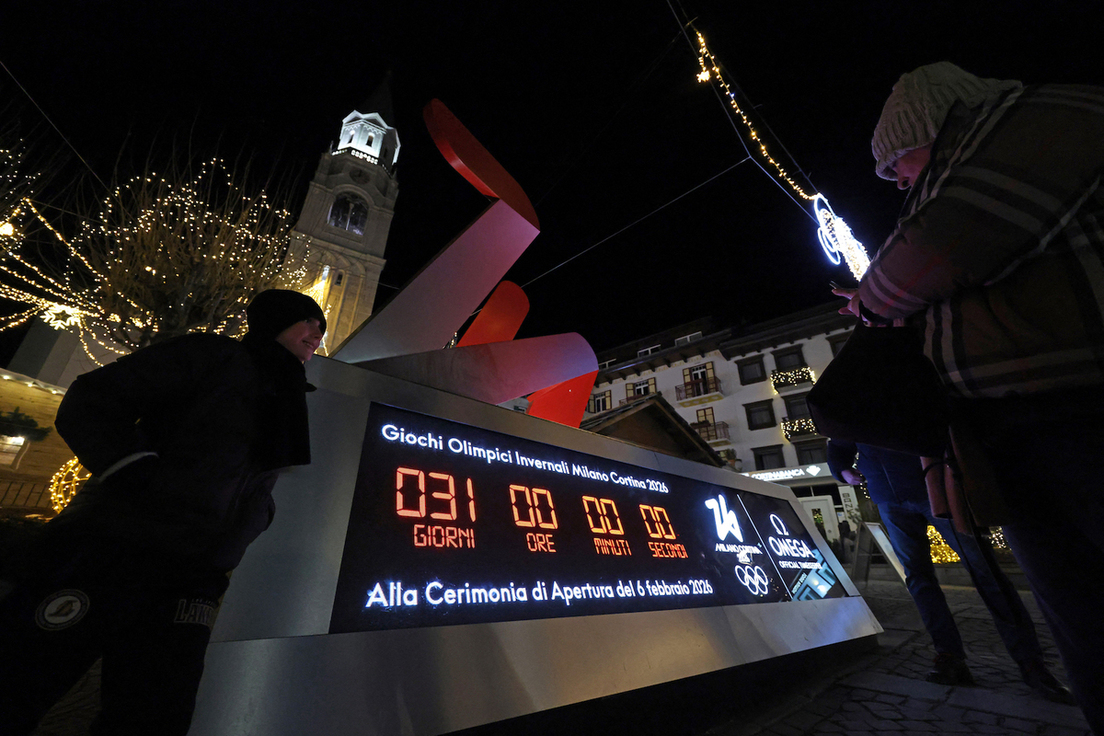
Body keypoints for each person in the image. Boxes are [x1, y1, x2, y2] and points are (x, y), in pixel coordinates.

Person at [835, 62, 1104, 731]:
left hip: (1075, 412)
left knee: (1080, 606)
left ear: (937, 128)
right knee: (1079, 616)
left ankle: (1030, 668)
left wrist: (875, 299)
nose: (900, 184)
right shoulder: (986, 162)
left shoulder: (1041, 123)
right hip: (1021, 425)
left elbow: (932, 247)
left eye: (898, 164)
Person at [0, 289, 325, 735]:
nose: (317, 334)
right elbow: (93, 398)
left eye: (322, 328)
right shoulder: (211, 354)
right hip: (112, 548)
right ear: (274, 321)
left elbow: (255, 479)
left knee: (155, 716)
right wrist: (134, 471)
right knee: (19, 682)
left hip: (193, 578)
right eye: (307, 320)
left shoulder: (289, 395)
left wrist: (254, 520)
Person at [827, 439, 1070, 699]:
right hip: (890, 497)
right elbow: (839, 442)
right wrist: (842, 469)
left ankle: (1030, 661)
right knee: (921, 579)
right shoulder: (855, 403)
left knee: (984, 571)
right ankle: (949, 656)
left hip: (937, 485)